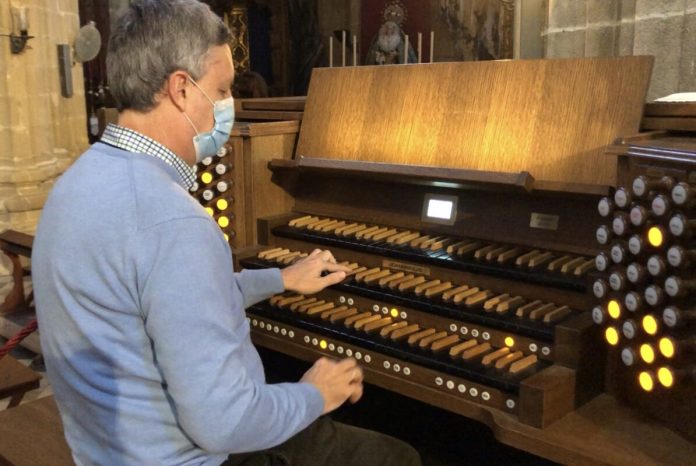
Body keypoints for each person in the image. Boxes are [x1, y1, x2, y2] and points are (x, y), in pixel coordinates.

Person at [31, 1, 421, 465]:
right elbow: (225, 423)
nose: (227, 104)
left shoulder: (78, 181)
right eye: (221, 89)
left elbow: (165, 300)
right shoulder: (172, 221)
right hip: (190, 458)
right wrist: (314, 394)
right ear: (181, 89)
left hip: (104, 450)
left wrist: (278, 279)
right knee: (397, 456)